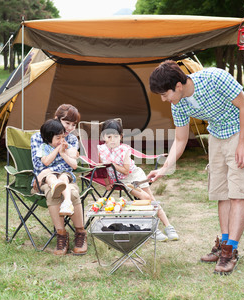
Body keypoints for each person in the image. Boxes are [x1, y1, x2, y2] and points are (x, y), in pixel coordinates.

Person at [147, 60, 244, 275]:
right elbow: (180, 140)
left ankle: (231, 251)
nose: (164, 99)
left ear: (178, 86)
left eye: (165, 94)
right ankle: (224, 242)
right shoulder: (178, 103)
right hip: (217, 135)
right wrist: (164, 169)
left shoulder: (215, 78)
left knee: (238, 193)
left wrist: (243, 144)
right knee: (222, 192)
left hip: (242, 130)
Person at [97, 119, 179, 242]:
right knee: (146, 199)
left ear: (121, 136)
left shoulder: (124, 150)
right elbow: (102, 168)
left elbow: (125, 170)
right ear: (103, 137)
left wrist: (112, 164)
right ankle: (152, 229)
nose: (113, 140)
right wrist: (108, 183)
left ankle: (168, 226)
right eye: (109, 136)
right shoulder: (101, 150)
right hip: (123, 182)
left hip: (133, 175)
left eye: (116, 136)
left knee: (151, 200)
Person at [31, 104, 87, 256]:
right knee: (53, 192)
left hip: (65, 177)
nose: (70, 128)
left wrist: (62, 157)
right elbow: (38, 164)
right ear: (56, 119)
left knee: (71, 191)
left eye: (73, 125)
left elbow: (71, 164)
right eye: (67, 123)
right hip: (45, 179)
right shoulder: (38, 138)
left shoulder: (72, 139)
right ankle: (61, 235)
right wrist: (47, 172)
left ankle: (80, 233)